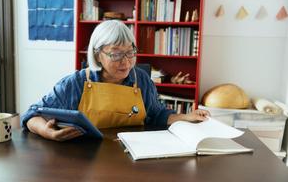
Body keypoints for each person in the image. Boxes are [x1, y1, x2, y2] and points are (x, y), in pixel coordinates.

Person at [20, 20, 210, 141]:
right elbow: (30, 115)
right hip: (85, 160)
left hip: (133, 158)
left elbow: (157, 114)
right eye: (116, 54)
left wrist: (186, 117)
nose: (126, 62)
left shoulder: (141, 79)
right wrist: (46, 131)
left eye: (130, 52)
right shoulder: (75, 83)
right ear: (98, 54)